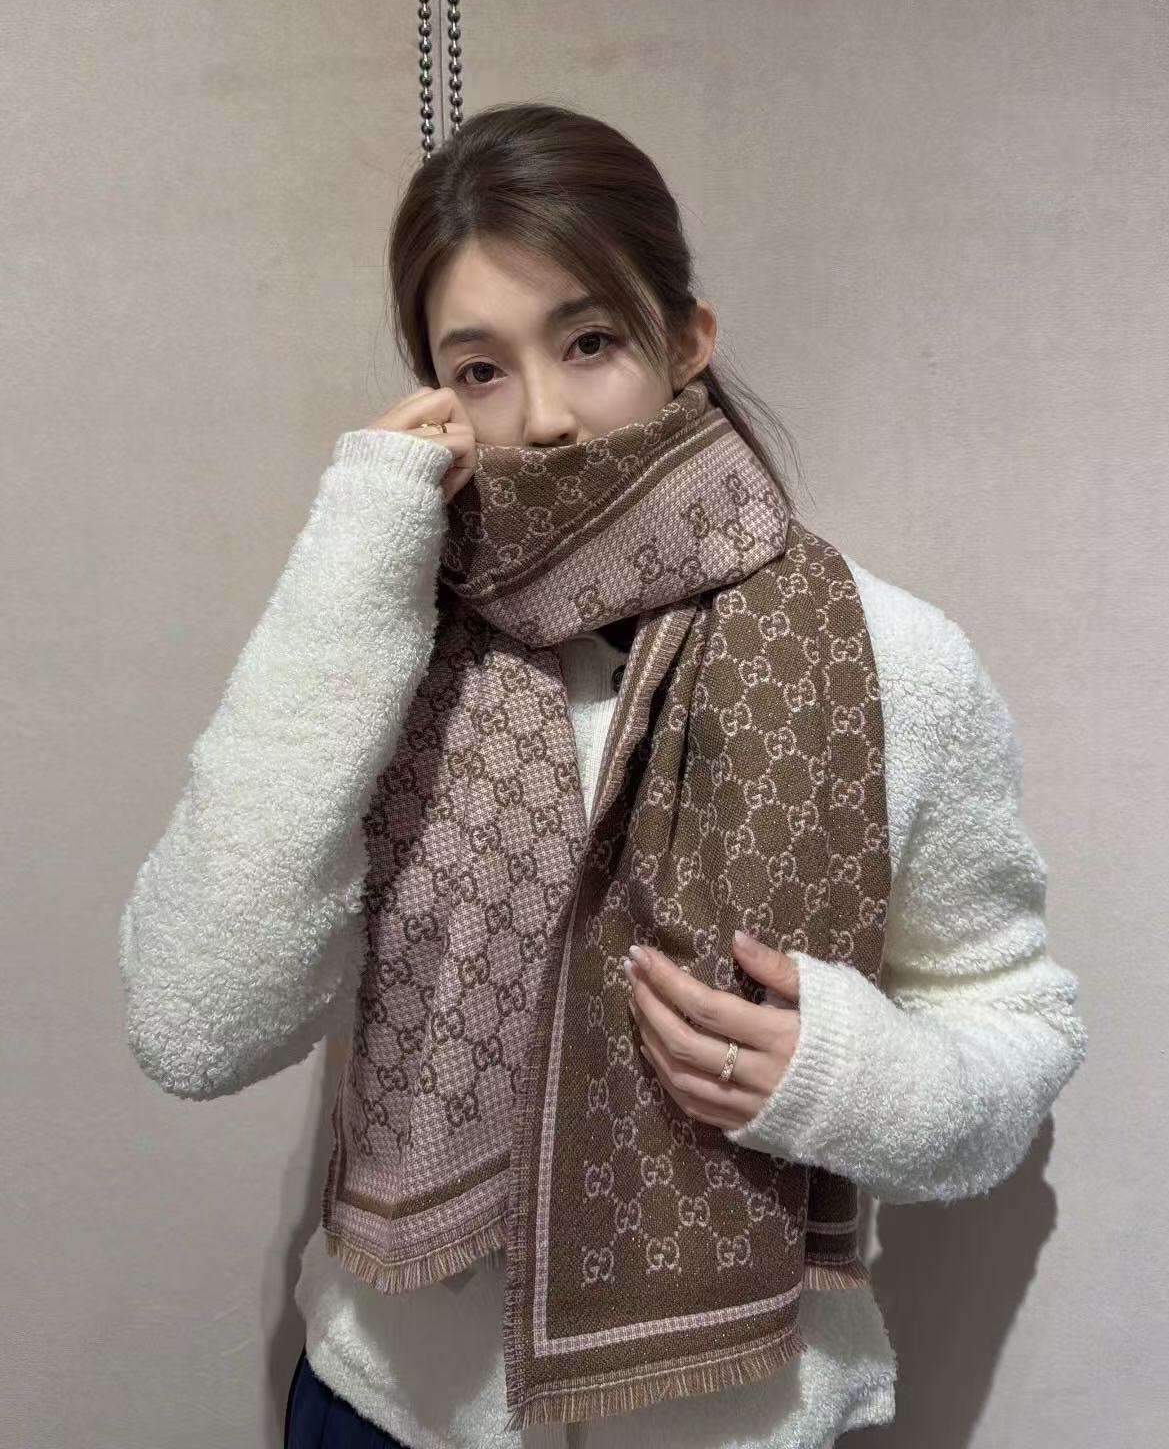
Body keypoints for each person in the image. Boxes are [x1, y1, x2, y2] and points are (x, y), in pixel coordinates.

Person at [118, 103, 1087, 1449]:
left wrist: (839, 1075)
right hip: (396, 1408)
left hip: (733, 1416)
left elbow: (1013, 1022)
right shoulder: (379, 655)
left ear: (685, 342)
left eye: (588, 343)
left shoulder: (889, 661)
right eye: (479, 369)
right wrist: (352, 551)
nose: (546, 418)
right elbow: (193, 1024)